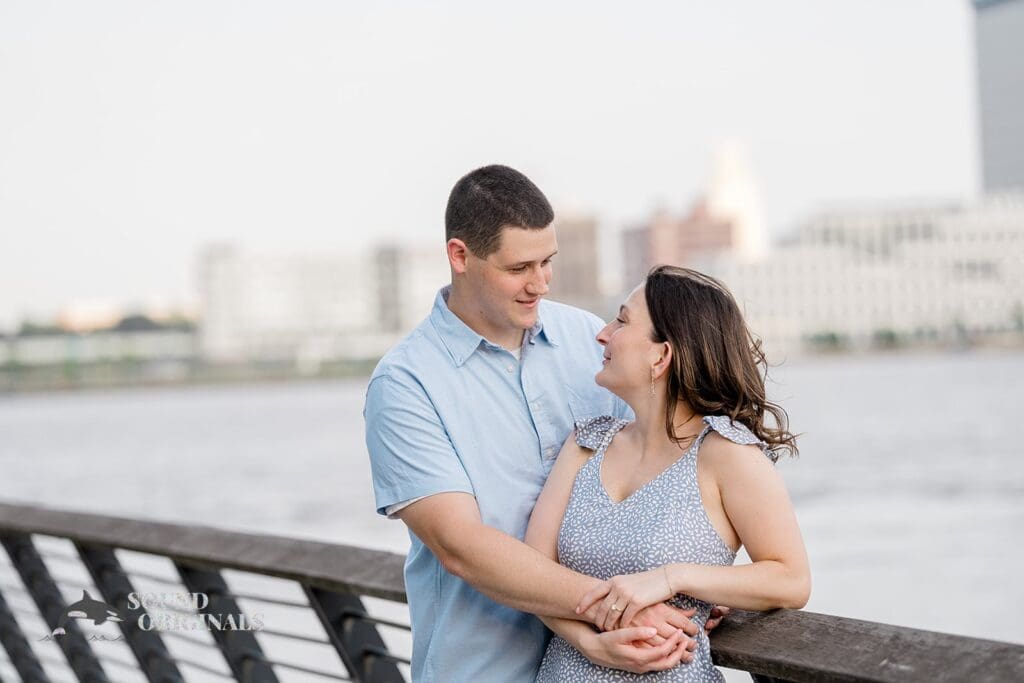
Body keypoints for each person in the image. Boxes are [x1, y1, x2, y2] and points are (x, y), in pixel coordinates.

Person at [365, 166, 712, 683]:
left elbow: (661, 468)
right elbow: (462, 547)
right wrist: (615, 607)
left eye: (547, 262)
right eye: (519, 267)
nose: (540, 284)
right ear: (460, 256)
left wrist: (698, 590)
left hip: (616, 670)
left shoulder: (591, 340)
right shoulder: (404, 385)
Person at [525, 265, 811, 681]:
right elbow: (533, 574)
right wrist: (591, 642)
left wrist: (673, 578)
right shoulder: (585, 444)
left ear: (661, 356)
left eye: (622, 320)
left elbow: (792, 579)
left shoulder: (727, 454)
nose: (603, 333)